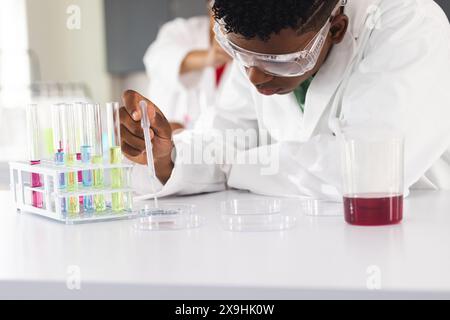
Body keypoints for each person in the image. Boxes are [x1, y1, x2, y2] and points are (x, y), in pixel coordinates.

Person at [120, 0, 450, 200]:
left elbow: (367, 170)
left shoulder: (409, 25)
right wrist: (168, 157)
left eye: (279, 61)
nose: (254, 78)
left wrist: (234, 166)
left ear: (335, 29)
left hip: (408, 236)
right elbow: (226, 133)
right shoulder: (258, 43)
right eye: (241, 55)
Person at [143, 1, 231, 131]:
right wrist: (208, 57)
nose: (225, 20)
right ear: (210, 6)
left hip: (223, 143)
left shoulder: (250, 53)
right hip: (171, 138)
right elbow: (155, 59)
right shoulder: (180, 30)